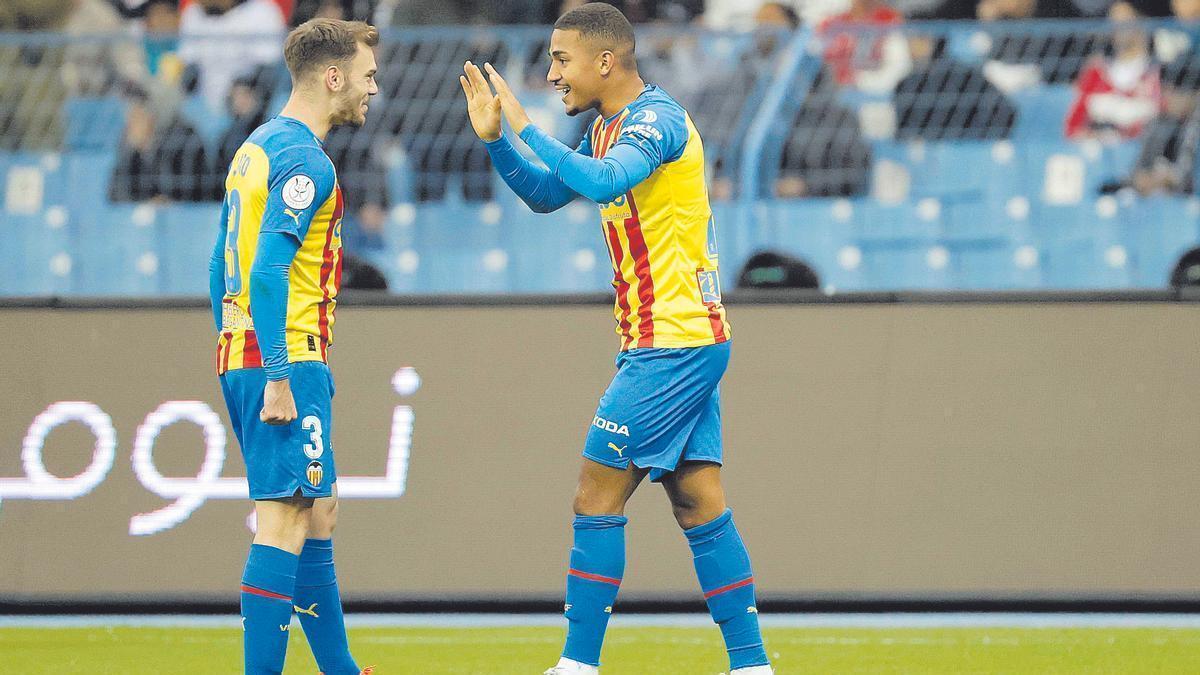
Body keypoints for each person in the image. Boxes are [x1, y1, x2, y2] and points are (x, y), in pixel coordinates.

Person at [460, 4, 771, 674]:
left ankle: (577, 664)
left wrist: (523, 122)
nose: (551, 75)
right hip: (671, 337)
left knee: (595, 490)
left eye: (561, 60)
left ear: (606, 61)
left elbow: (603, 182)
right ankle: (752, 666)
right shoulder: (606, 127)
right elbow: (548, 193)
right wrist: (496, 141)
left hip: (675, 338)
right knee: (698, 501)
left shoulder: (655, 122)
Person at [207, 17, 378, 675]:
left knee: (317, 509)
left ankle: (341, 667)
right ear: (332, 77)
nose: (373, 89)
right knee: (281, 519)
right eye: (366, 76)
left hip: (244, 350)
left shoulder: (256, 147)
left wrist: (233, 340)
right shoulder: (304, 160)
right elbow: (269, 270)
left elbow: (221, 254)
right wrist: (278, 372)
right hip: (284, 356)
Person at [1065, 1, 1161, 140]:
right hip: (1099, 153)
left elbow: (1160, 113)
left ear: (1141, 21)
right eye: (1113, 21)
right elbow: (1072, 127)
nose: (1118, 27)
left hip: (1140, 152)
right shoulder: (1096, 71)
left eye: (1124, 20)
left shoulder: (1157, 71)